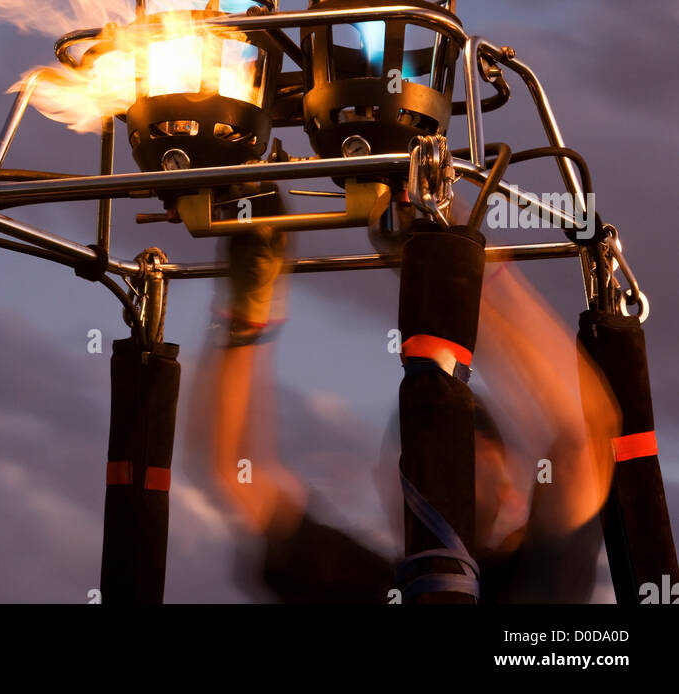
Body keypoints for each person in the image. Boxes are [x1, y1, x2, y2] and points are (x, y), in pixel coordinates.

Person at [186, 217, 620, 604]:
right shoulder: (363, 583)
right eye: (430, 460)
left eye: (471, 461)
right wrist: (249, 311)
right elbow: (238, 476)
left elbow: (584, 440)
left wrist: (458, 276)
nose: (448, 471)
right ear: (391, 480)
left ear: (509, 487)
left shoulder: (534, 582)